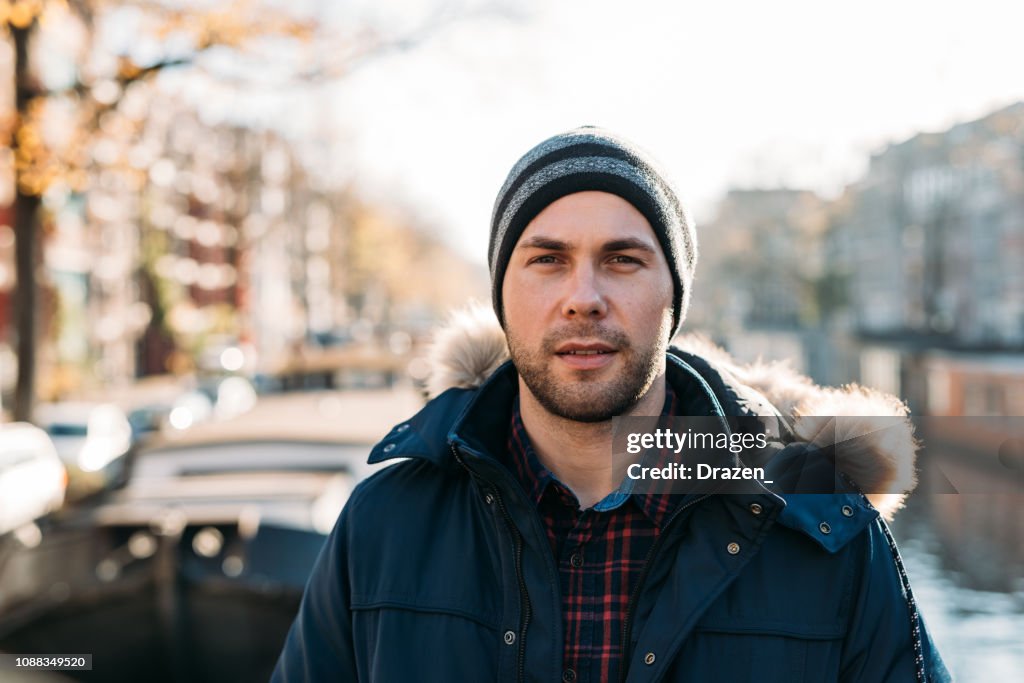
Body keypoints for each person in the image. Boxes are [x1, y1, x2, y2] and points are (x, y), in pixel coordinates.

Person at [272, 127, 950, 682]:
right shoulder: (385, 524)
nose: (584, 296)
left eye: (622, 259)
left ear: (672, 299)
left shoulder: (827, 530)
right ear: (502, 295)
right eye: (547, 260)